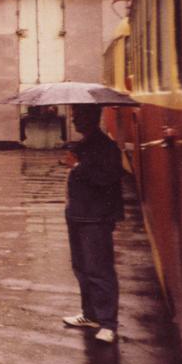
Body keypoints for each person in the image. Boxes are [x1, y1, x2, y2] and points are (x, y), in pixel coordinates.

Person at [62, 103, 125, 343]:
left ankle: (108, 323)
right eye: (74, 115)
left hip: (95, 218)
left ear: (92, 117)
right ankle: (90, 314)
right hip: (78, 214)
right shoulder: (84, 145)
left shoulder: (106, 147)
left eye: (79, 115)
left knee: (99, 269)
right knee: (82, 268)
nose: (75, 120)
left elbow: (106, 178)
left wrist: (77, 166)